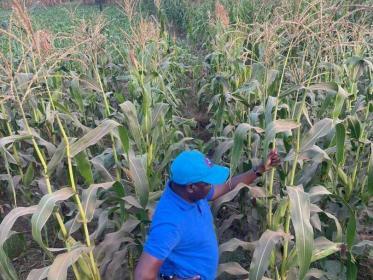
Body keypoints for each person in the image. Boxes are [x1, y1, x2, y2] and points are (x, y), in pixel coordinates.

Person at [134, 149, 280, 280]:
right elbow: (143, 275)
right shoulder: (170, 222)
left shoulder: (188, 193)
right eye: (208, 183)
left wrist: (259, 170)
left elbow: (226, 186)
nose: (212, 185)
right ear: (192, 187)